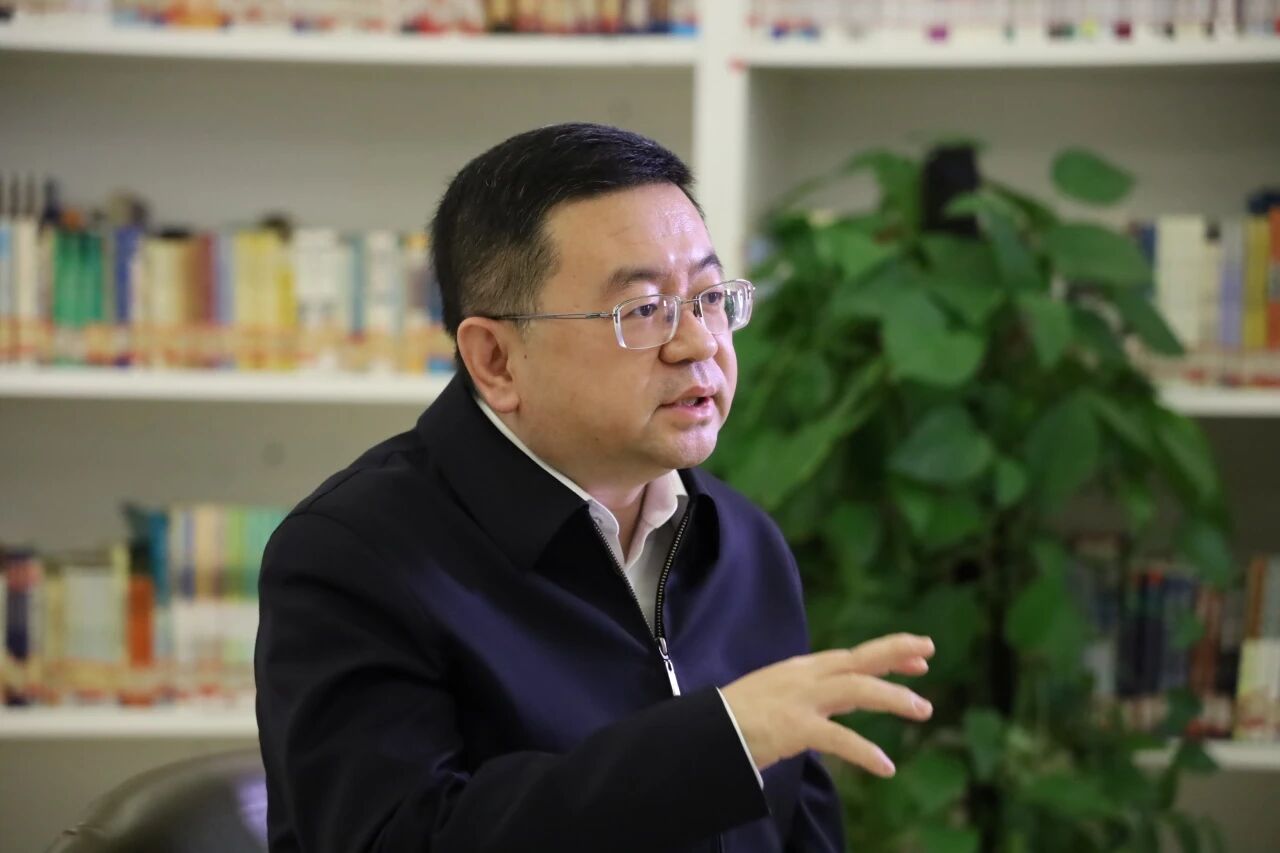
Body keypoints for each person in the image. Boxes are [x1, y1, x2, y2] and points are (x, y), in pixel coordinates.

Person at [254, 122, 935, 853]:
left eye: (709, 297)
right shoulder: (354, 556)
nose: (699, 343)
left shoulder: (743, 543)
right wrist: (716, 744)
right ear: (495, 360)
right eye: (642, 310)